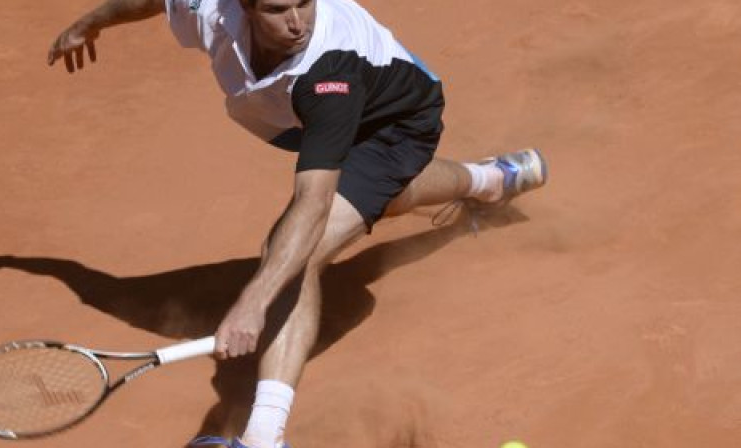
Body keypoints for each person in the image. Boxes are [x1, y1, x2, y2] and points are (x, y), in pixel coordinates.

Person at [48, 0, 548, 447]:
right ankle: (492, 180)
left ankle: (265, 436)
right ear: (241, 8)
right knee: (384, 197)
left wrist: (252, 303)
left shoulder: (328, 68)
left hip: (393, 122)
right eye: (276, 9)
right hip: (300, 117)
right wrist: (89, 23)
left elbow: (312, 205)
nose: (296, 23)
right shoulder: (211, 9)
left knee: (293, 255)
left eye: (304, 3)